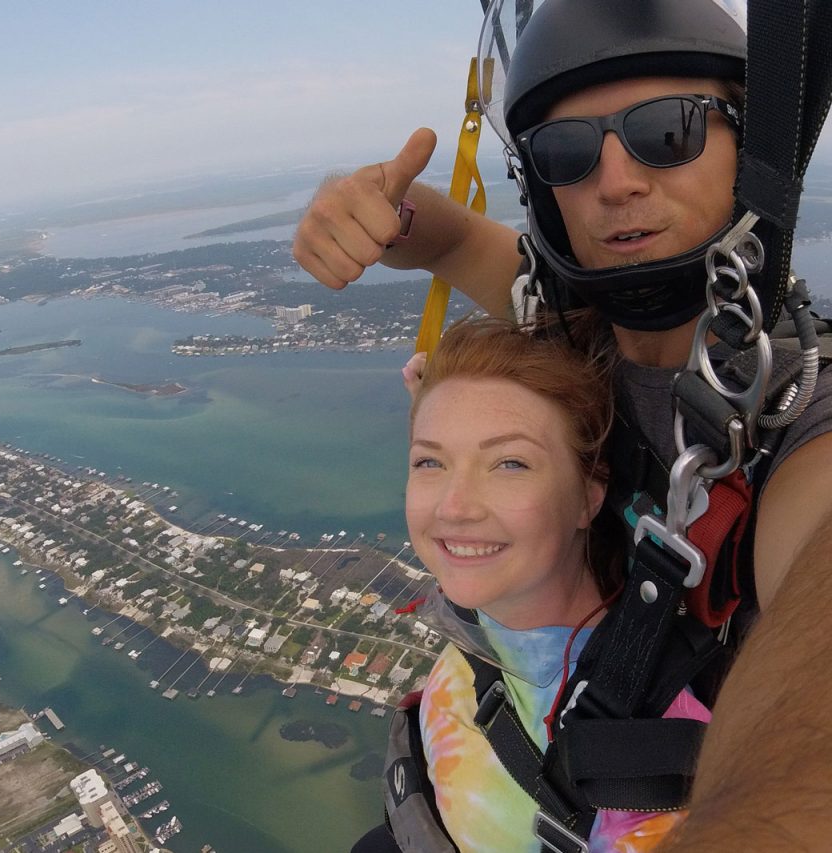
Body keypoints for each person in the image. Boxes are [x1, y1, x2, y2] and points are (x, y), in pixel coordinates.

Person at [294, 1, 832, 850]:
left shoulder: (801, 413)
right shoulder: (568, 329)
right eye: (567, 153)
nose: (614, 181)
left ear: (751, 149)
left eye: (668, 131)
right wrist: (382, 214)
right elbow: (457, 238)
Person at [372, 316, 708, 852]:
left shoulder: (652, 764)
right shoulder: (484, 628)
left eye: (510, 463)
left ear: (590, 495)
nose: (454, 507)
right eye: (430, 461)